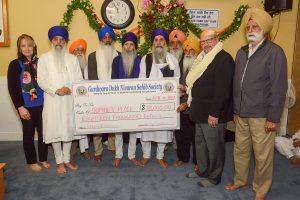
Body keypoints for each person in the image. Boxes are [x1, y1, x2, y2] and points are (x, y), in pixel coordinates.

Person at [226, 8, 288, 200]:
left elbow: (278, 88)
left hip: (262, 115)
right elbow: (237, 83)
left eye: (255, 26)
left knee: (263, 156)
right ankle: (240, 180)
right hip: (241, 113)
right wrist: (235, 110)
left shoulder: (275, 52)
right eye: (249, 26)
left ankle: (261, 191)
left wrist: (273, 117)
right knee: (240, 149)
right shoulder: (241, 52)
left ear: (265, 30)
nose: (251, 29)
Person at [185, 29, 234, 188]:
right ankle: (203, 170)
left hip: (213, 114)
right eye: (203, 41)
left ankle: (214, 177)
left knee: (214, 147)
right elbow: (196, 82)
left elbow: (223, 90)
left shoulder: (223, 59)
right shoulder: (202, 58)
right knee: (200, 145)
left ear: (217, 39)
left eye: (209, 40)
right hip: (199, 111)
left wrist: (215, 113)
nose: (206, 44)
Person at [37, 26, 83, 174]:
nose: (59, 42)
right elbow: (41, 81)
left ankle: (67, 160)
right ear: (51, 41)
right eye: (56, 39)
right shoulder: (44, 58)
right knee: (56, 131)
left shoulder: (72, 59)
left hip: (69, 100)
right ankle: (59, 161)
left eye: (62, 39)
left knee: (68, 130)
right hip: (53, 100)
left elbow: (79, 79)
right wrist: (56, 90)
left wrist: (70, 88)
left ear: (65, 42)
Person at [137, 28, 180, 168]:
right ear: (153, 43)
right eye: (156, 40)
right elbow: (141, 79)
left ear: (165, 42)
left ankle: (160, 156)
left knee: (163, 131)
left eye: (161, 40)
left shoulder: (172, 59)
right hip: (149, 102)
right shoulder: (146, 59)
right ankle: (146, 156)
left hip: (165, 103)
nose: (159, 43)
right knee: (146, 131)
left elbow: (177, 81)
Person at [7, 34, 50, 172]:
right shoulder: (14, 64)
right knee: (28, 134)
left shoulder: (41, 62)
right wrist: (20, 107)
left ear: (34, 46)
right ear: (19, 48)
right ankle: (31, 161)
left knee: (44, 134)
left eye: (29, 45)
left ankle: (43, 158)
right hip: (26, 106)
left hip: (43, 104)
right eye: (23, 46)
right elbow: (12, 88)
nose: (27, 48)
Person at [87, 26, 118, 161]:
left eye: (109, 37)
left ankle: (112, 146)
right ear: (101, 39)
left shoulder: (120, 55)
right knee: (98, 124)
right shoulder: (92, 56)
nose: (107, 40)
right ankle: (98, 150)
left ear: (112, 39)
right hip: (98, 95)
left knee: (113, 122)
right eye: (104, 37)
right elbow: (92, 77)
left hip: (115, 95)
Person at [111, 32, 141, 167]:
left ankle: (132, 155)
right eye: (126, 45)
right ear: (123, 47)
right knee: (119, 128)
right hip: (119, 99)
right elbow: (113, 80)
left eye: (131, 45)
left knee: (133, 129)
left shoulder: (139, 60)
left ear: (134, 47)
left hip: (135, 99)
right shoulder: (116, 61)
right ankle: (118, 155)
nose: (128, 47)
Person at [173, 38, 200, 168]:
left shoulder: (201, 66)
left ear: (197, 52)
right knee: (180, 134)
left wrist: (187, 103)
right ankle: (182, 157)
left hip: (194, 106)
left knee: (196, 137)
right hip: (180, 105)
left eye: (191, 50)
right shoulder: (179, 63)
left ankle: (197, 162)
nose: (188, 53)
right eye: (186, 50)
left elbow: (199, 87)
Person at [68, 38, 91, 160]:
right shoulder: (68, 65)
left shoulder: (88, 65)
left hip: (84, 101)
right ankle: (73, 149)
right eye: (76, 50)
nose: (79, 52)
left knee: (84, 126)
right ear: (72, 53)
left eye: (82, 50)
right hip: (70, 100)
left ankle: (85, 149)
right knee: (72, 126)